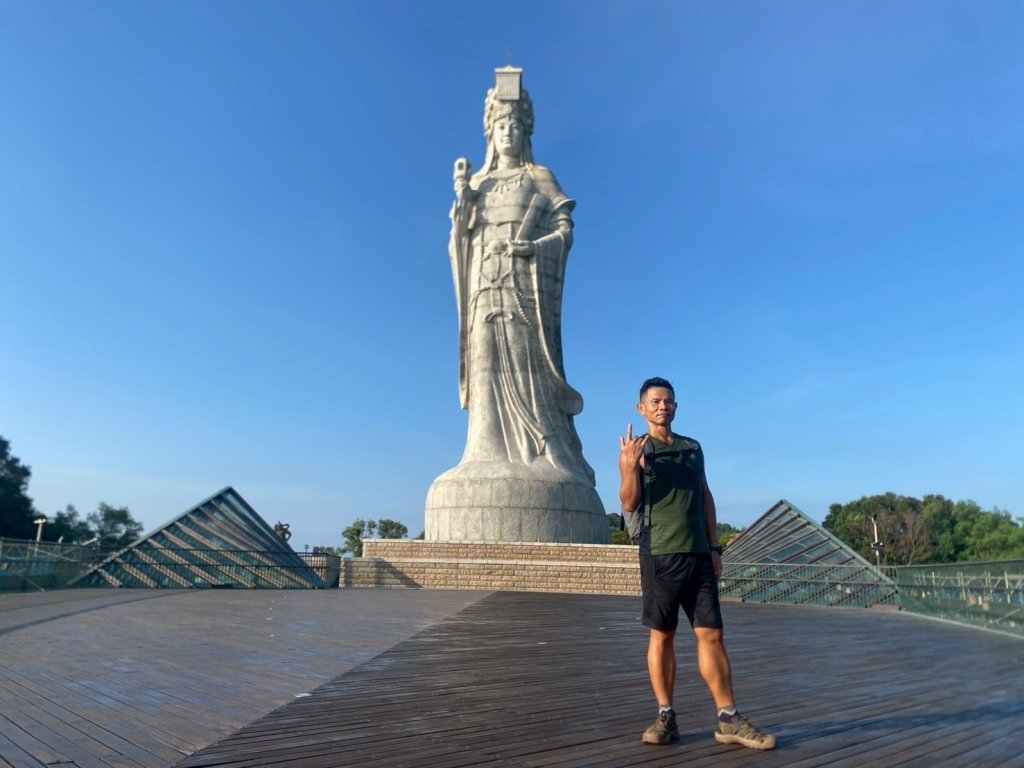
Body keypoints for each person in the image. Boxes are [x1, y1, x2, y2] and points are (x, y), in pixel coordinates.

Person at [445, 80, 594, 484]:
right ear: (489, 132)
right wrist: (463, 201)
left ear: (526, 131)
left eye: (514, 125)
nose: (507, 132)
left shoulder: (540, 177)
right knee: (485, 362)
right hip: (484, 286)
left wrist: (534, 248)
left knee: (525, 367)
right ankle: (483, 451)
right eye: (500, 125)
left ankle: (540, 449)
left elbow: (566, 230)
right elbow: (461, 240)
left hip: (523, 290)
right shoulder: (477, 185)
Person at [618, 377, 776, 750]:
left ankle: (728, 718)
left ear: (675, 406)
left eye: (669, 401)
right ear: (641, 408)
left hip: (698, 555)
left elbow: (705, 496)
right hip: (660, 553)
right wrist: (628, 468)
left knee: (712, 634)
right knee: (663, 634)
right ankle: (665, 716)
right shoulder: (640, 449)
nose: (663, 406)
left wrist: (714, 547)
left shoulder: (693, 448)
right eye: (655, 401)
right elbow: (628, 503)